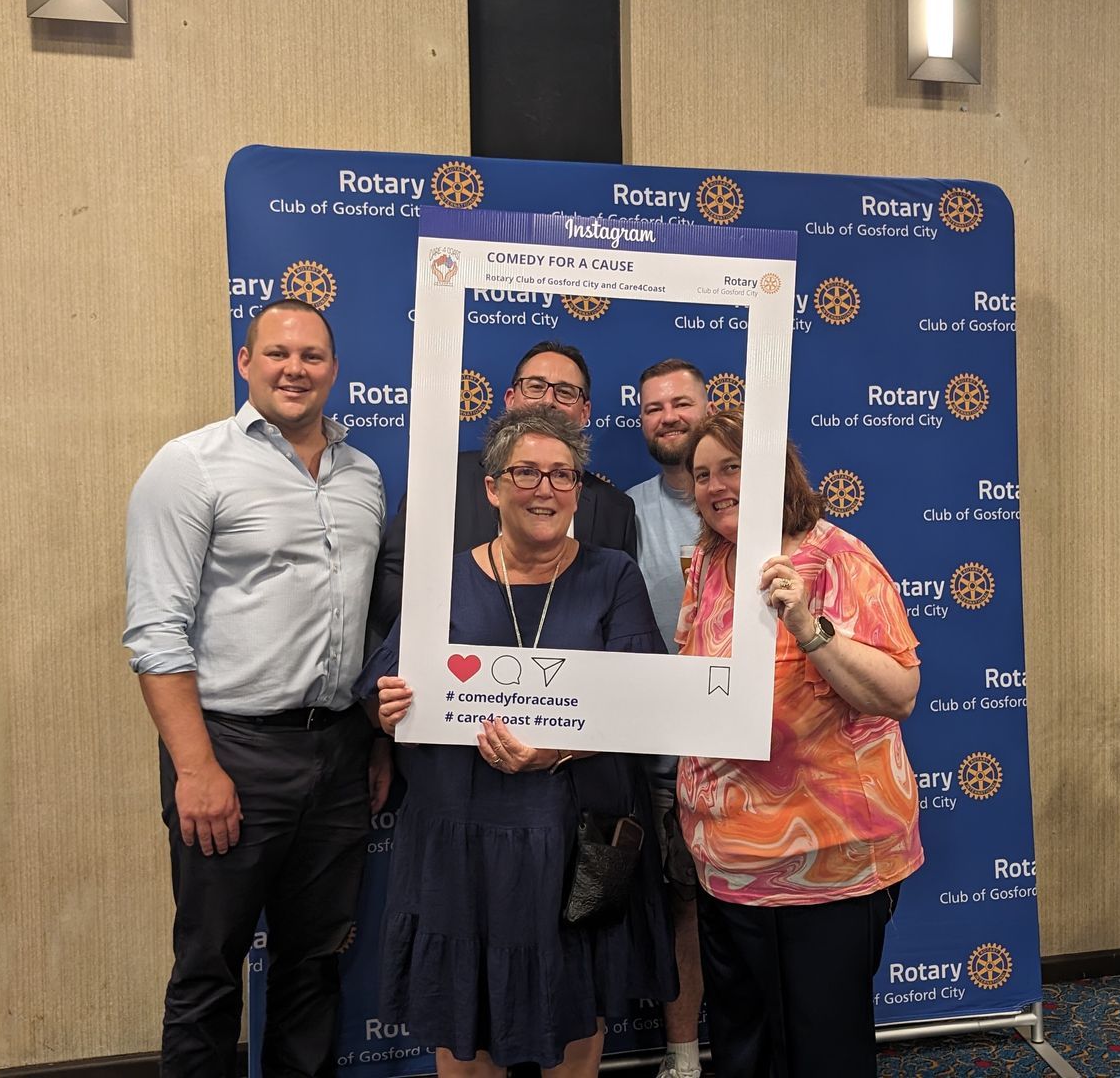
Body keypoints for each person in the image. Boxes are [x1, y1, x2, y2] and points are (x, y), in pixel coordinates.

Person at [362, 405, 676, 1077]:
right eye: (526, 471)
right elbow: (383, 688)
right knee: (464, 1020)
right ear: (492, 486)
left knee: (573, 1017)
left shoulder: (613, 574)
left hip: (574, 832)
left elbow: (643, 700)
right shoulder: (438, 578)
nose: (545, 489)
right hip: (459, 834)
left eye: (563, 474)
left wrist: (556, 750)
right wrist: (387, 708)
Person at [124, 298, 392, 1077]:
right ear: (246, 363)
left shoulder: (363, 475)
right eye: (277, 353)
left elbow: (372, 621)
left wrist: (373, 741)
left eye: (311, 356)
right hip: (231, 750)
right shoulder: (191, 465)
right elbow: (154, 631)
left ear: (334, 371)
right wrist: (196, 768)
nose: (294, 369)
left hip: (339, 753)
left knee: (314, 964)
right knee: (210, 969)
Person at [675, 408, 924, 1078]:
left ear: (773, 471)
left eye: (731, 466)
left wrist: (809, 625)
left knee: (821, 1049)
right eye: (702, 475)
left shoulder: (837, 558)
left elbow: (898, 694)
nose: (716, 484)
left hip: (827, 864)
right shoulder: (707, 562)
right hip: (727, 864)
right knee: (743, 1045)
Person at [369, 340, 640, 640]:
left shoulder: (616, 510)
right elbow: (394, 580)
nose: (548, 400)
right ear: (510, 399)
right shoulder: (442, 478)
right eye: (535, 386)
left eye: (565, 392)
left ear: (585, 411)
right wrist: (450, 644)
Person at [621, 359, 708, 1078]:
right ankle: (683, 1057)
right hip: (654, 758)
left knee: (755, 909)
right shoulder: (624, 512)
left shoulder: (756, 506)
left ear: (711, 409)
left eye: (682, 402)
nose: (668, 416)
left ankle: (763, 1044)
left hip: (748, 753)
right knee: (680, 907)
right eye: (654, 408)